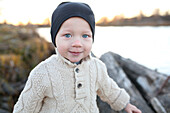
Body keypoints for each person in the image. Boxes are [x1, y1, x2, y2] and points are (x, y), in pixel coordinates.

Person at [13, 2, 141, 113]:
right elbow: (26, 108)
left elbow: (109, 89)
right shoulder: (42, 73)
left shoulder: (97, 67)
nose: (77, 43)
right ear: (54, 38)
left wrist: (125, 104)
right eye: (68, 35)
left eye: (85, 36)